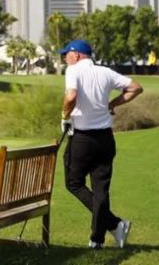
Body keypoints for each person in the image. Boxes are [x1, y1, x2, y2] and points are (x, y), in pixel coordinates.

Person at [59, 39, 143, 249]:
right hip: (105, 139)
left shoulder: (74, 70)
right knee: (101, 189)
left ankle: (115, 224)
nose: (65, 58)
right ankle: (97, 240)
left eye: (66, 54)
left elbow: (71, 96)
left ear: (76, 55)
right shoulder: (105, 72)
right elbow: (135, 88)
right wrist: (112, 104)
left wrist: (64, 116)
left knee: (73, 183)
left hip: (83, 139)